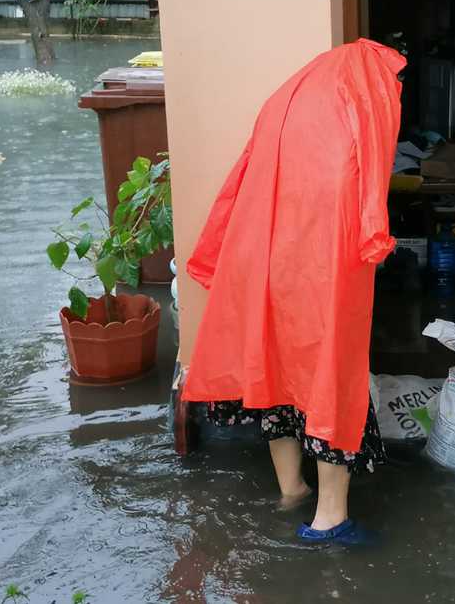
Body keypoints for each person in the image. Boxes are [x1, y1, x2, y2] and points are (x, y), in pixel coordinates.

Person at [182, 39, 405, 546]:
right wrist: (376, 233)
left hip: (262, 255)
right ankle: (330, 519)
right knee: (333, 378)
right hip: (323, 259)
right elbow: (371, 172)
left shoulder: (287, 98)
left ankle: (291, 490)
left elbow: (242, 178)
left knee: (276, 373)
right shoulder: (365, 90)